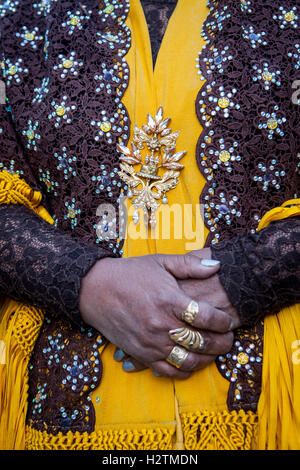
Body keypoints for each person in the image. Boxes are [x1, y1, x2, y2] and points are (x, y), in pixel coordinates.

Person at [0, 0, 299, 451]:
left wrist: (249, 276)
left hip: (277, 404)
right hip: (68, 408)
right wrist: (86, 282)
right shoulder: (18, 19)